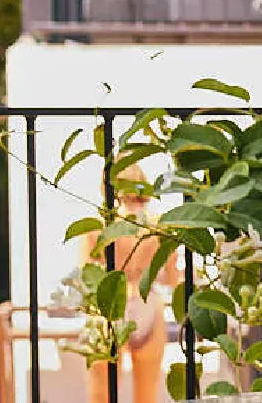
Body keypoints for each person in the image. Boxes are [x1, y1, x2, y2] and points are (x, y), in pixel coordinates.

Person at [80, 171, 181, 403]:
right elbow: (172, 277)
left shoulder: (98, 228)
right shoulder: (158, 226)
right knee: (147, 394)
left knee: (102, 394)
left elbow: (87, 276)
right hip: (147, 302)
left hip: (110, 304)